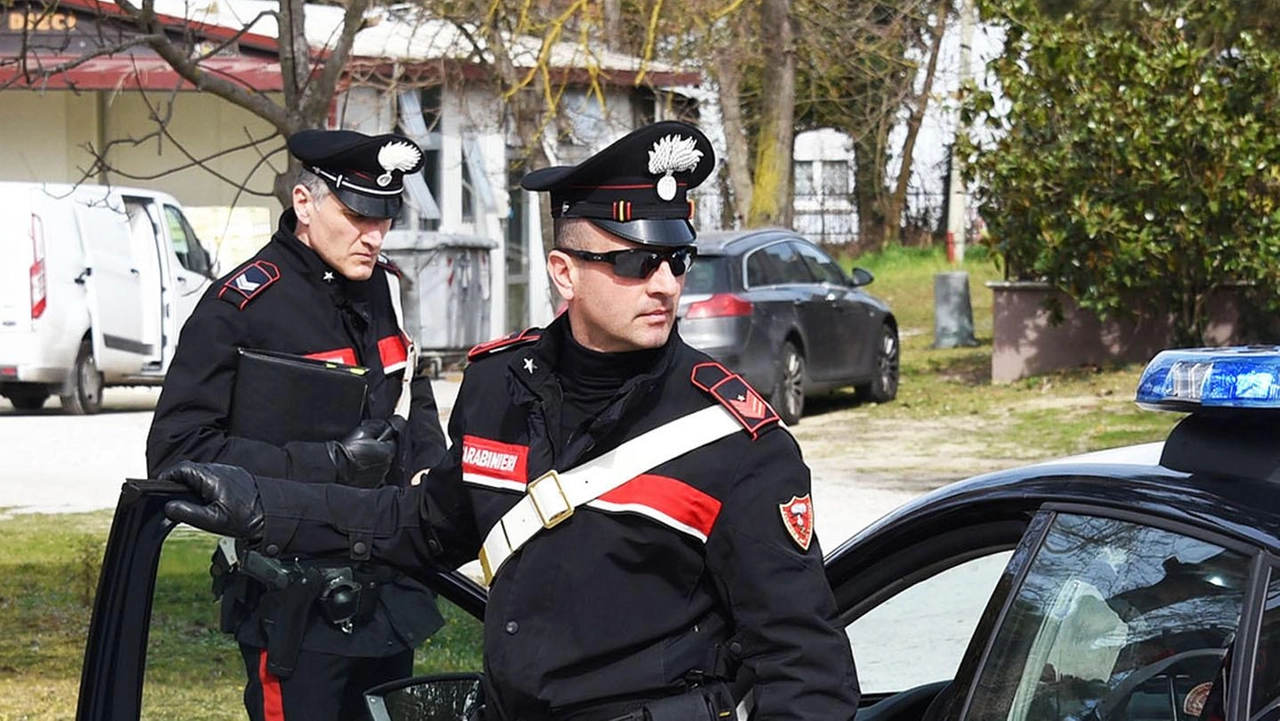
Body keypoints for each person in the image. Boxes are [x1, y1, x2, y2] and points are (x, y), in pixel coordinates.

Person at [160, 120, 861, 720]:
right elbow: (419, 524)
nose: (666, 283)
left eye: (677, 258)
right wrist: (263, 505)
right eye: (635, 260)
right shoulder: (498, 384)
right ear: (563, 270)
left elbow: (805, 670)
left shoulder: (733, 438)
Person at [146, 129, 450, 721]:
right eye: (359, 214)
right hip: (297, 606)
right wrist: (329, 464)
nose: (375, 234)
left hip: (387, 590)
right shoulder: (240, 308)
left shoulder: (379, 289)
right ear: (305, 204)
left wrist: (430, 476)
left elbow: (412, 402)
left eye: (385, 217)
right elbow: (177, 454)